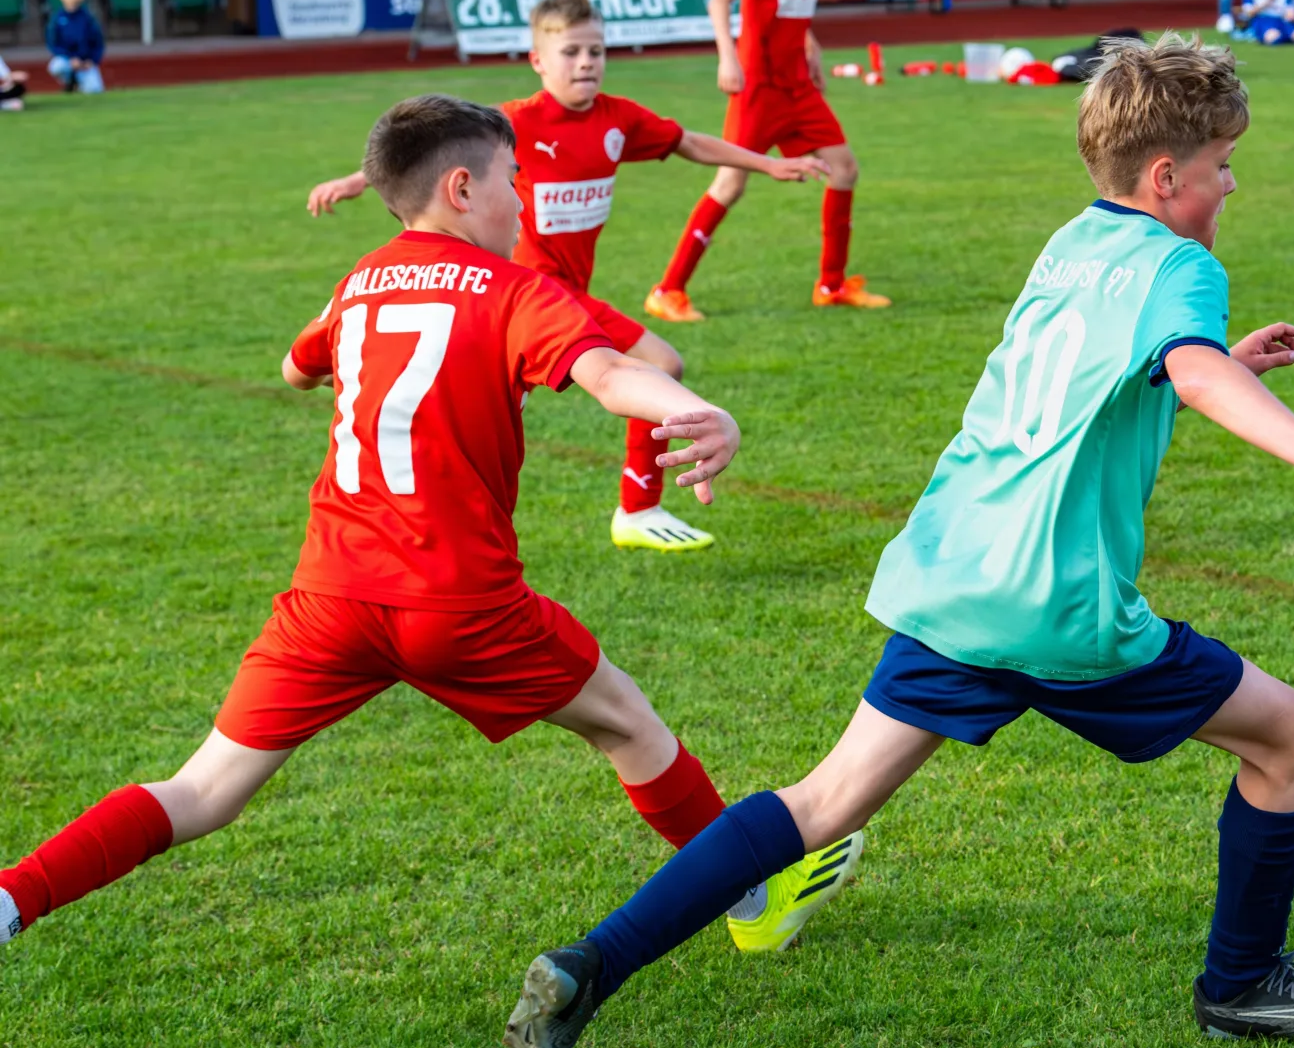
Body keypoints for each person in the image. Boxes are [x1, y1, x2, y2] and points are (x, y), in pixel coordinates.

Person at [499, 34, 1294, 1048]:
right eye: (1222, 165)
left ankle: (588, 964)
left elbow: (1147, 362)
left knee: (822, 803)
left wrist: (1226, 360)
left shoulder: (1069, 242)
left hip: (953, 570)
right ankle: (1242, 982)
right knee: (1287, 739)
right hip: (1054, 601)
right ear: (1166, 177)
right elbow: (1182, 366)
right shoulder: (1184, 265)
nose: (1231, 185)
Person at [0, 95, 861, 961]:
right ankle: (752, 896)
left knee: (201, 791)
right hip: (459, 603)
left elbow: (296, 368)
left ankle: (10, 899)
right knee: (629, 724)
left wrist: (324, 364)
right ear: (460, 187)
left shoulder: (357, 281)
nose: (523, 202)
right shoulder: (514, 287)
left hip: (329, 598)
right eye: (512, 183)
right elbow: (606, 372)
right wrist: (699, 410)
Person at [307, 0, 823, 555]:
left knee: (548, 388)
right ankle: (638, 508)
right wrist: (358, 180)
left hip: (567, 290)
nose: (586, 63)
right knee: (658, 363)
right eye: (572, 51)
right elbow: (428, 151)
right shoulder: (515, 122)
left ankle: (617, 502)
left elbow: (689, 143)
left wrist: (768, 162)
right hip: (528, 287)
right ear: (537, 61)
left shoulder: (619, 119)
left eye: (596, 51)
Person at [650, 0, 891, 321]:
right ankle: (668, 290)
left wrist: (811, 44)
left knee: (844, 169)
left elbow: (791, 10)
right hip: (758, 90)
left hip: (798, 88)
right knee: (730, 182)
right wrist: (728, 57)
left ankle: (831, 285)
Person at [45, 0, 105, 95]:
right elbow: (53, 44)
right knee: (57, 66)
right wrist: (70, 58)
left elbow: (98, 43)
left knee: (95, 91)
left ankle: (79, 84)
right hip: (68, 61)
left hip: (86, 63)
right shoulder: (58, 18)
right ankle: (70, 82)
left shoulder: (88, 18)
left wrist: (91, 60)